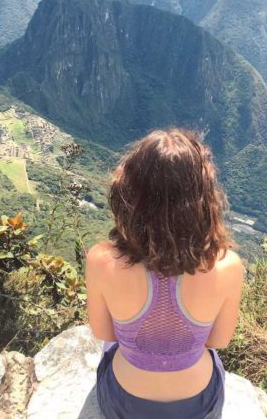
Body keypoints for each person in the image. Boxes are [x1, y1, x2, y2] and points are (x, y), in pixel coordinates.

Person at [85, 128, 244, 418]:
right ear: (203, 199)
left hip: (124, 403)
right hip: (198, 405)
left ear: (129, 195)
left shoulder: (101, 261)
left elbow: (104, 333)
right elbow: (217, 341)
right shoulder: (227, 266)